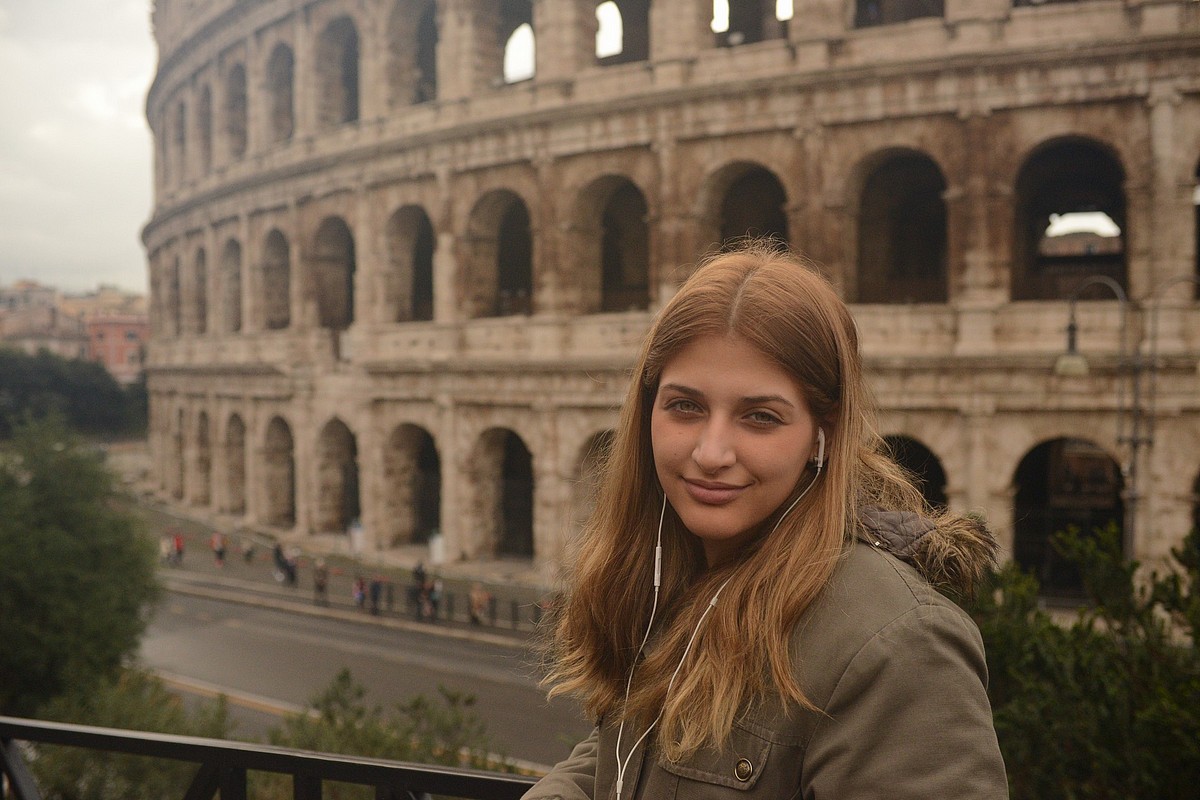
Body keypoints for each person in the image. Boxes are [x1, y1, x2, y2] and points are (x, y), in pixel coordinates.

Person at [524, 242, 1008, 800]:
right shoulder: (677, 572)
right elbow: (626, 755)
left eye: (760, 417)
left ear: (821, 435)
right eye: (686, 406)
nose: (711, 452)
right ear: (647, 409)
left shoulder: (899, 645)